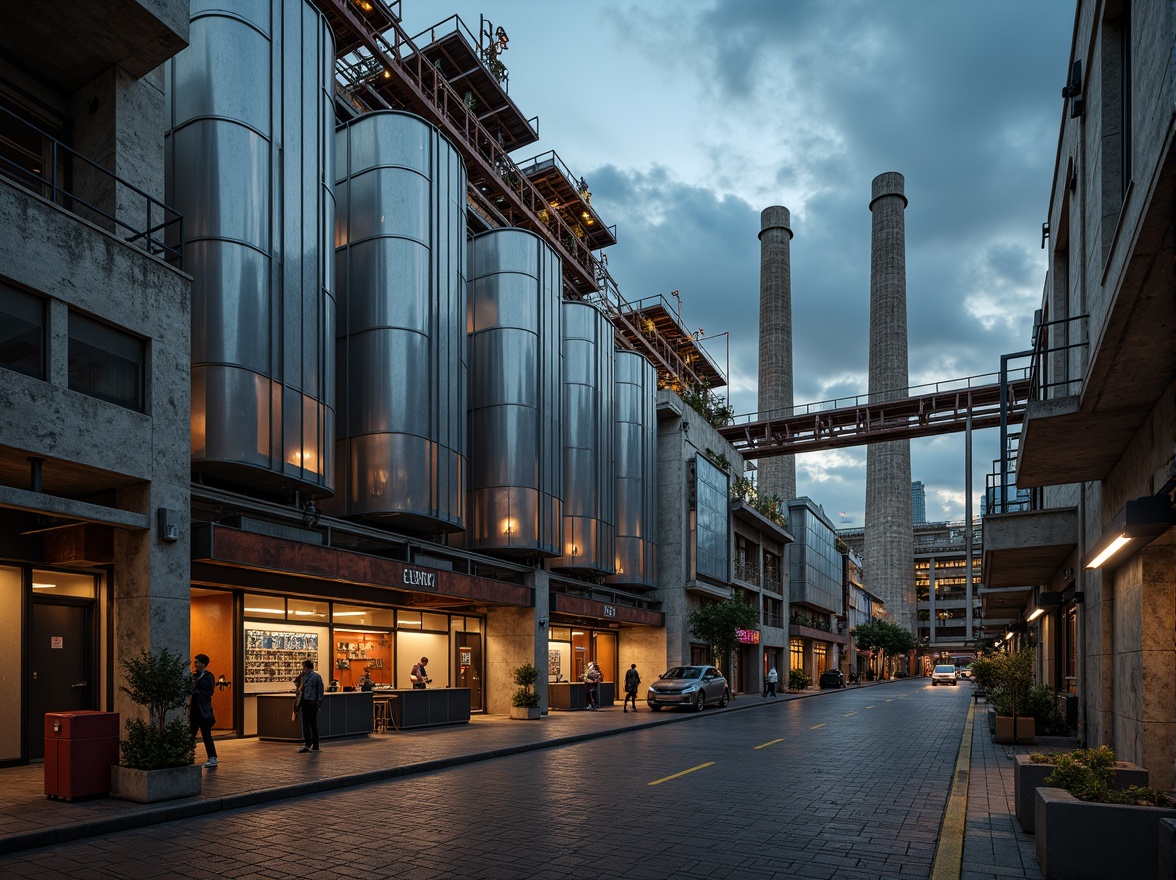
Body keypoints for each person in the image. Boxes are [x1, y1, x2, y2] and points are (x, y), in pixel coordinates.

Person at [189, 654, 218, 767]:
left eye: (197, 662)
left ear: (203, 664)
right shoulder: (194, 676)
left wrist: (197, 690)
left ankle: (212, 757)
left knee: (206, 735)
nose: (195, 664)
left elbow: (208, 691)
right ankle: (187, 754)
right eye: (194, 662)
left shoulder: (208, 676)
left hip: (204, 712)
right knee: (191, 734)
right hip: (194, 710)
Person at [293, 659, 324, 753]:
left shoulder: (306, 677)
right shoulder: (315, 676)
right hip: (311, 702)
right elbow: (320, 691)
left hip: (308, 702)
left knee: (308, 724)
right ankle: (314, 745)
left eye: (303, 667)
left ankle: (310, 743)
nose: (303, 669)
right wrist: (319, 702)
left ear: (306, 667)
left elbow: (298, 687)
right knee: (311, 724)